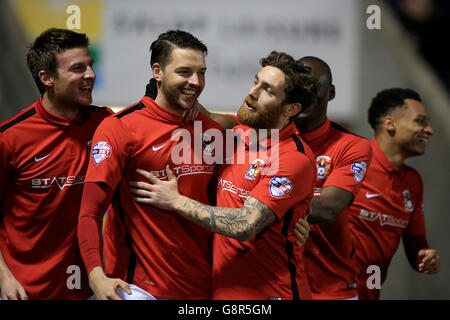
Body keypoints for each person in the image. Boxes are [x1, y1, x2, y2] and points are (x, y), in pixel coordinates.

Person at [131, 51, 318, 300]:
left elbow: (243, 224)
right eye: (255, 82)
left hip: (272, 295)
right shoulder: (233, 136)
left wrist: (176, 201)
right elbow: (195, 110)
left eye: (268, 91)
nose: (253, 92)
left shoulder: (294, 158)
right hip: (222, 292)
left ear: (292, 108)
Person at [77, 30, 224, 300]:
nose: (196, 82)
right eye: (184, 72)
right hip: (138, 289)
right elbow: (90, 212)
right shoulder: (120, 128)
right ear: (157, 71)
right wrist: (96, 276)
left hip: (203, 290)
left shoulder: (212, 132)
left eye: (201, 72)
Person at [0, 28, 113, 300]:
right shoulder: (10, 137)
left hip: (86, 290)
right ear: (47, 78)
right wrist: (5, 279)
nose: (90, 75)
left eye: (90, 65)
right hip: (22, 291)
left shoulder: (105, 124)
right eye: (77, 68)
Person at [348, 88, 440, 300]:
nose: (429, 130)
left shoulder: (413, 182)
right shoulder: (351, 162)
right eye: (420, 121)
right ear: (390, 124)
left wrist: (426, 258)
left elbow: (416, 245)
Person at [292, 56, 372, 300]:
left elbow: (327, 208)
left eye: (314, 88)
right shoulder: (266, 137)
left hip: (330, 290)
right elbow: (216, 120)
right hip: (279, 286)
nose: (305, 95)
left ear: (331, 93)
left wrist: (258, 206)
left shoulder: (352, 145)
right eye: (298, 87)